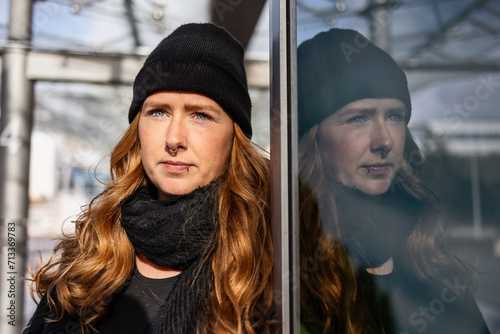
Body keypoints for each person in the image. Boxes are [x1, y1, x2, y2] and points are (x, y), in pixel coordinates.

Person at [24, 23, 274, 334]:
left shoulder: (269, 259)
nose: (174, 138)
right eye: (158, 112)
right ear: (137, 129)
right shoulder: (93, 250)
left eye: (201, 115)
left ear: (233, 138)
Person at [297, 28, 489, 334]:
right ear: (312, 138)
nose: (385, 140)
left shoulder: (428, 254)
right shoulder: (288, 265)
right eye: (358, 118)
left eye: (395, 116)